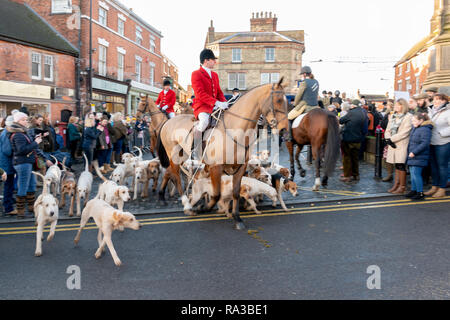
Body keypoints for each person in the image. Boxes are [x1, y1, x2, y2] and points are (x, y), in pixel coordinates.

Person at [190, 48, 228, 160]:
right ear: (206, 60)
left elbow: (219, 92)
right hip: (202, 106)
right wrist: (216, 102)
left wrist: (225, 103)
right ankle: (195, 149)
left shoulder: (215, 75)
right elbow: (200, 93)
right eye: (213, 60)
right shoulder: (196, 74)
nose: (215, 62)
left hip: (215, 106)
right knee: (204, 122)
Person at [9, 112, 43, 219]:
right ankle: (21, 211)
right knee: (23, 186)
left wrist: (34, 140)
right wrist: (35, 143)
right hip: (22, 163)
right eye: (23, 119)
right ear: (18, 121)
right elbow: (21, 150)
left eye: (26, 119)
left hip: (27, 162)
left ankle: (31, 208)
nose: (26, 121)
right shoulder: (18, 134)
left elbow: (26, 145)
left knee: (32, 185)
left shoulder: (22, 132)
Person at [385, 99, 413, 194]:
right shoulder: (393, 116)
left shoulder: (408, 117)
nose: (395, 107)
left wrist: (391, 139)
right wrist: (388, 138)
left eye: (398, 105)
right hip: (392, 144)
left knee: (401, 165)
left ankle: (402, 186)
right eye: (395, 105)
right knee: (396, 165)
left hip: (401, 144)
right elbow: (388, 129)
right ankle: (396, 185)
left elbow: (405, 132)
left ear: (403, 106)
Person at [425, 93, 450, 198]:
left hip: (443, 142)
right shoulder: (430, 111)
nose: (435, 101)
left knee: (442, 166)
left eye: (439, 99)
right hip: (431, 142)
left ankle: (442, 188)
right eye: (434, 99)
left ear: (444, 101)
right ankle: (434, 187)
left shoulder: (448, 112)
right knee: (434, 167)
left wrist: (441, 133)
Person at [405, 113, 433, 200]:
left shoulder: (425, 129)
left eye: (414, 120)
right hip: (412, 155)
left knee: (416, 174)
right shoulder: (416, 128)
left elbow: (424, 143)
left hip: (419, 155)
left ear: (421, 121)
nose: (412, 122)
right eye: (412, 120)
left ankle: (420, 193)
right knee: (413, 175)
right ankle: (414, 190)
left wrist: (414, 152)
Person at [339, 100, 367, 182]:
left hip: (348, 138)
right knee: (355, 158)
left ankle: (347, 176)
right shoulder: (363, 113)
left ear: (353, 105)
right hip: (358, 139)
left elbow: (341, 121)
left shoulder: (351, 113)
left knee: (347, 158)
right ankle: (356, 175)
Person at [0, 116, 17, 216]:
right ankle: (8, 208)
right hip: (6, 164)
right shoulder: (6, 134)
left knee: (8, 186)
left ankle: (8, 204)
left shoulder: (4, 133)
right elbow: (7, 151)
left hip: (5, 163)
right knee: (8, 186)